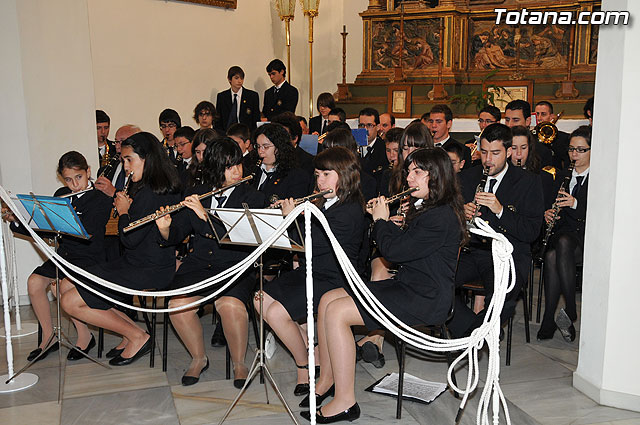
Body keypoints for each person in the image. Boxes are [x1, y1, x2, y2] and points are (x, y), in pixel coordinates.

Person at [302, 148, 465, 421]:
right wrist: (392, 222)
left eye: (417, 173)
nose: (408, 179)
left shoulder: (441, 216)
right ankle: (328, 380)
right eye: (408, 172)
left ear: (436, 177)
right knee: (328, 299)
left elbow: (396, 253)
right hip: (408, 286)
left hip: (426, 298)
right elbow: (409, 249)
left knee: (338, 312)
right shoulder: (428, 208)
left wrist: (381, 220)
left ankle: (345, 401)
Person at [59, 132, 182, 366]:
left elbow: (129, 239)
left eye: (129, 160)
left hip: (150, 268)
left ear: (147, 159)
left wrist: (124, 210)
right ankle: (131, 333)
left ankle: (137, 337)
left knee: (70, 302)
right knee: (70, 286)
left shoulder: (152, 193)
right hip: (136, 262)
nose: (125, 167)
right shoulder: (148, 186)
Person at [257, 146, 366, 398]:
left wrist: (290, 218)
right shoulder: (325, 202)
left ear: (344, 174)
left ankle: (303, 365)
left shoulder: (348, 210)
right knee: (260, 300)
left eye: (326, 175)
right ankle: (310, 356)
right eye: (317, 175)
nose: (319, 181)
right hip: (312, 272)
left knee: (275, 313)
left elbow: (309, 245)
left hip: (334, 279)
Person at [156, 137, 265, 387]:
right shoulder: (197, 193)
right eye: (229, 166)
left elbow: (238, 238)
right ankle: (198, 358)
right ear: (215, 168)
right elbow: (176, 234)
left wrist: (205, 216)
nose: (237, 171)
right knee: (177, 305)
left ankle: (239, 363)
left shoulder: (253, 197)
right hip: (200, 264)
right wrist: (164, 227)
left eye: (238, 164)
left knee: (230, 305)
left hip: (235, 266)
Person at [3, 151, 113, 362]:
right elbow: (47, 231)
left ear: (88, 172)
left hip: (89, 257)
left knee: (59, 285)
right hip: (65, 255)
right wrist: (18, 221)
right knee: (34, 282)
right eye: (68, 180)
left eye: (79, 177)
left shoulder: (100, 198)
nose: (74, 184)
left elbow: (88, 233)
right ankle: (49, 336)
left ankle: (84, 336)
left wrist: (64, 224)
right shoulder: (61, 194)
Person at [448, 123, 544, 338]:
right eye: (483, 152)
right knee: (437, 280)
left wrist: (500, 210)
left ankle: (477, 332)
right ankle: (475, 330)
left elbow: (531, 231)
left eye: (495, 153)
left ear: (509, 152)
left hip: (507, 254)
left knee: (503, 296)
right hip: (471, 250)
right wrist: (459, 214)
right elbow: (445, 219)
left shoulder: (528, 182)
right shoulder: (466, 178)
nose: (488, 159)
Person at [537, 126, 591, 342]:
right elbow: (549, 205)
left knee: (563, 245)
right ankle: (559, 314)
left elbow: (600, 211)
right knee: (553, 254)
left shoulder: (601, 178)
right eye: (571, 149)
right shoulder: (561, 176)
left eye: (581, 150)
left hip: (586, 237)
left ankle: (563, 311)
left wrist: (575, 202)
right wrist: (548, 213)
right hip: (563, 236)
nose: (574, 155)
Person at [249, 123, 310, 206]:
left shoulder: (296, 176)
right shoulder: (251, 171)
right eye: (258, 146)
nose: (260, 151)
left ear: (279, 147)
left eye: (266, 147)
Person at [504, 100, 553, 168]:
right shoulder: (500, 145)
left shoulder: (541, 151)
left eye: (515, 120)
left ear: (528, 121)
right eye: (507, 120)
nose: (509, 125)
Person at [95, 124, 141, 197]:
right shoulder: (105, 171)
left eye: (122, 141)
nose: (117, 146)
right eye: (116, 141)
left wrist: (114, 192)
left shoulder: (143, 172)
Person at [216, 66, 260, 131]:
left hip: (246, 134)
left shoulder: (252, 96)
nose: (240, 81)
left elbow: (256, 119)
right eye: (236, 78)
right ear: (229, 79)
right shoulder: (222, 96)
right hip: (227, 134)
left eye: (242, 78)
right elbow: (218, 120)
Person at [534, 100, 570, 169]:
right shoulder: (530, 136)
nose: (539, 118)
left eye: (543, 114)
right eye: (537, 114)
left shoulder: (562, 137)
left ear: (551, 117)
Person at [358, 107, 388, 175]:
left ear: (377, 127)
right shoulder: (353, 146)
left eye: (369, 125)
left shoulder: (384, 148)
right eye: (361, 125)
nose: (365, 129)